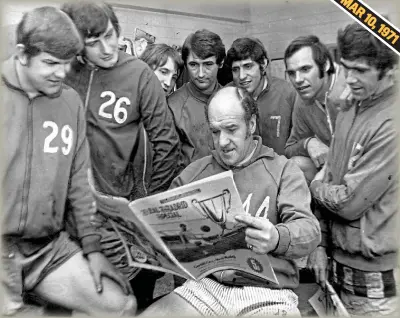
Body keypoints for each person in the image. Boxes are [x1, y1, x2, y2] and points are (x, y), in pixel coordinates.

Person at [140, 86, 321, 316]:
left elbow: (310, 230)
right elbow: (161, 224)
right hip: (206, 287)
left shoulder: (282, 170)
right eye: (215, 132)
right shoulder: (195, 173)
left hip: (267, 292)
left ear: (251, 125)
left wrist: (276, 237)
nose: (222, 142)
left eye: (231, 129)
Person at [1, 6, 135, 315]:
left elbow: (79, 183)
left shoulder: (69, 102)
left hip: (47, 247)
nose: (61, 74)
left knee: (122, 307)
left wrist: (94, 249)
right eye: (50, 63)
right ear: (22, 54)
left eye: (66, 63)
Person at [61, 1, 180, 311]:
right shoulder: (65, 72)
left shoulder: (139, 74)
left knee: (131, 301)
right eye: (92, 43)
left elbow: (167, 143)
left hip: (121, 217)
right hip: (71, 217)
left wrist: (148, 205)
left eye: (110, 35)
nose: (105, 48)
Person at [308, 22, 399, 316]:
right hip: (337, 269)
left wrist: (314, 185)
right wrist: (320, 246)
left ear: (388, 70)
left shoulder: (393, 122)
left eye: (361, 70)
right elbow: (333, 179)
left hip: (378, 286)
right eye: (347, 68)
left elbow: (348, 203)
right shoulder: (350, 106)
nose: (351, 79)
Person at [284, 35, 347, 182]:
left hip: (368, 168)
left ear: (324, 65)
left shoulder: (351, 84)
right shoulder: (303, 99)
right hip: (334, 172)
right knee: (296, 164)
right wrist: (308, 143)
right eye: (292, 73)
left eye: (305, 69)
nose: (298, 80)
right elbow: (289, 148)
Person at [225, 37, 299, 155]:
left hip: (280, 169)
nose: (242, 76)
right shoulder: (225, 97)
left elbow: (299, 141)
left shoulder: (288, 93)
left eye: (248, 66)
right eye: (236, 69)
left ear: (263, 64)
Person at [168, 29, 225, 168]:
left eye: (208, 64)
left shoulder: (234, 101)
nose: (200, 74)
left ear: (221, 63)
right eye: (193, 65)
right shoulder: (172, 106)